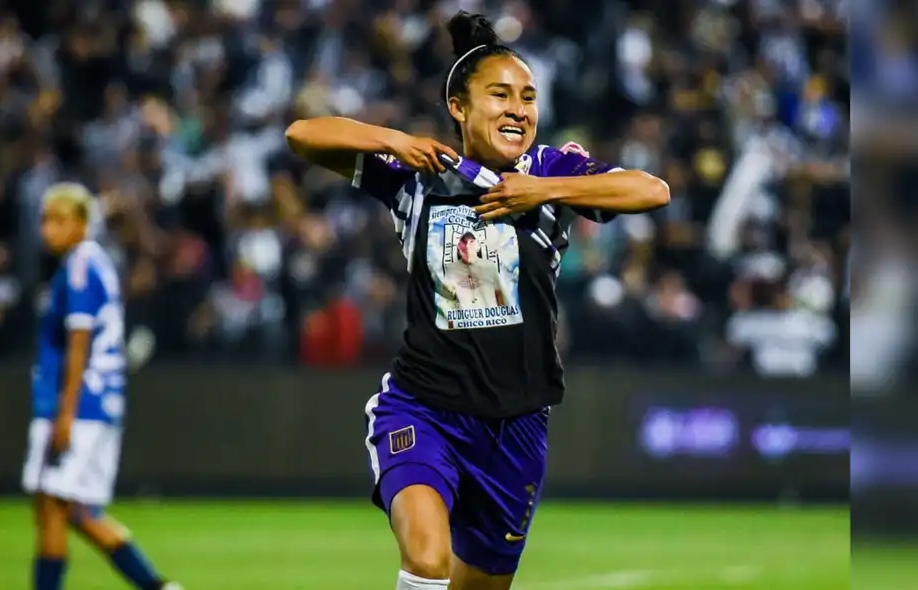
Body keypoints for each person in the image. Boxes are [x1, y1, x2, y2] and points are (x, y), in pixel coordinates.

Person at [286, 11, 669, 590]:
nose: (519, 108)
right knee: (426, 560)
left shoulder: (551, 170)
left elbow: (652, 190)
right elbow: (302, 135)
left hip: (516, 425)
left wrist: (541, 191)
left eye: (528, 97)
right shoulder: (419, 176)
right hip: (423, 408)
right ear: (459, 108)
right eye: (500, 95)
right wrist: (393, 138)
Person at [19, 183, 182, 590]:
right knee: (76, 510)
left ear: (81, 224)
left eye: (58, 221)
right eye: (44, 220)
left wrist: (65, 411)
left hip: (81, 402)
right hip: (102, 401)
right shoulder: (97, 263)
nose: (47, 230)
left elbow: (80, 342)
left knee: (54, 506)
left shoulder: (78, 266)